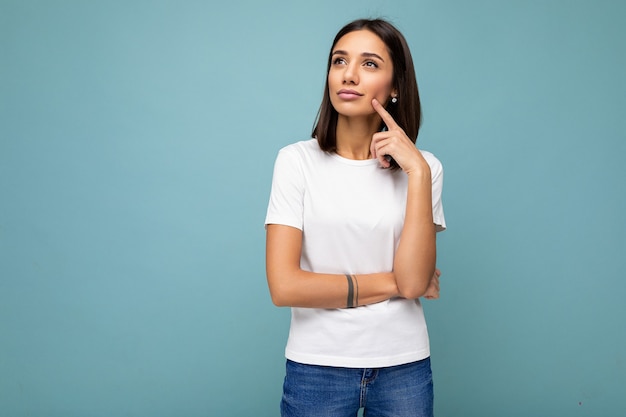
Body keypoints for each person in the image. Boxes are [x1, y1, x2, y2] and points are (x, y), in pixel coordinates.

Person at [265, 18, 446, 417]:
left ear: (396, 85)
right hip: (317, 367)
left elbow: (415, 281)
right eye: (339, 60)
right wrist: (393, 283)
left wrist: (416, 171)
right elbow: (284, 286)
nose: (348, 74)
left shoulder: (424, 168)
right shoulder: (296, 162)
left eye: (369, 64)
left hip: (404, 368)